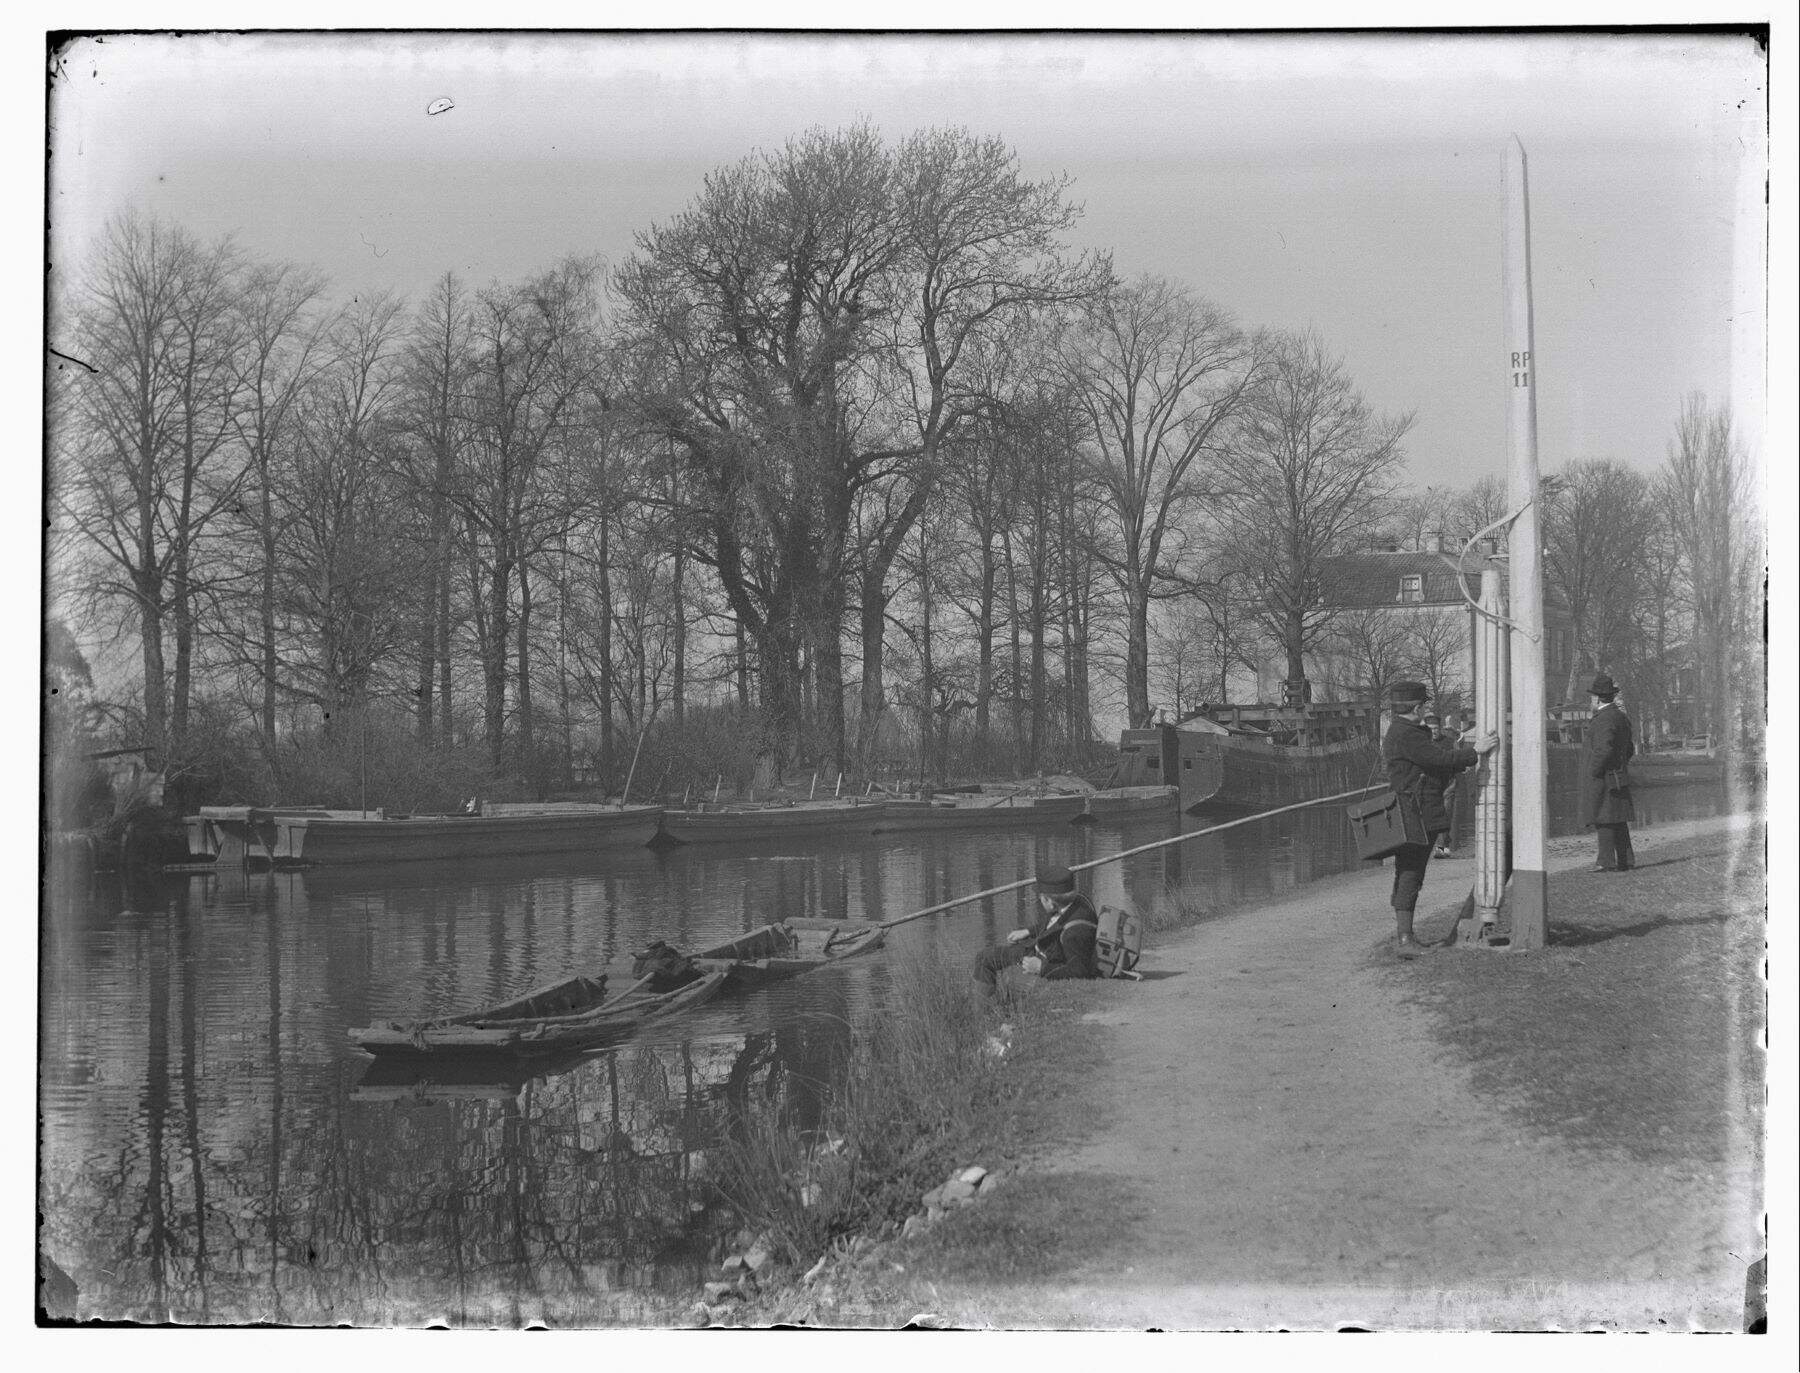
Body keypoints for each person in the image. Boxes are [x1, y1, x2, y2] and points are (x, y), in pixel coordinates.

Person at [1382, 681, 1498, 955]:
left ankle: (1404, 935)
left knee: (1408, 871)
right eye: (1425, 705)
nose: (1427, 709)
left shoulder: (1402, 731)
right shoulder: (1408, 734)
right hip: (1416, 812)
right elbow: (1439, 759)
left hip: (1413, 809)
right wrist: (1476, 751)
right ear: (1418, 707)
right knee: (1412, 871)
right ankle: (1405, 940)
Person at [972, 864, 1100, 996]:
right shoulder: (1074, 901)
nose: (1040, 900)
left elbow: (1079, 971)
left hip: (1043, 959)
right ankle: (987, 1003)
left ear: (1050, 902)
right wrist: (1027, 931)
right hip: (1039, 948)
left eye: (1041, 898)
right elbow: (1053, 925)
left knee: (984, 960)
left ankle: (984, 1010)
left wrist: (1041, 968)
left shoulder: (1074, 932)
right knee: (985, 956)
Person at [1581, 672, 1636, 871]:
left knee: (1603, 818)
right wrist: (1619, 765)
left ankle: (1605, 862)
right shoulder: (1620, 717)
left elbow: (1604, 749)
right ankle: (1626, 860)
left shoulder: (1603, 719)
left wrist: (1594, 770)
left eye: (1591, 697)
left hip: (1603, 777)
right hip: (1618, 775)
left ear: (1597, 698)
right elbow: (1629, 748)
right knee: (1618, 819)